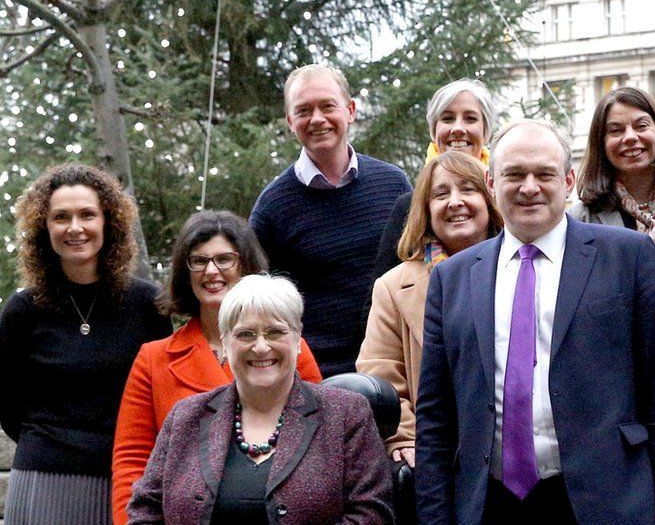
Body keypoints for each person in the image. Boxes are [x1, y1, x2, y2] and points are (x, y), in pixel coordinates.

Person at [415, 119, 655, 524]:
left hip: (604, 502)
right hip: (488, 504)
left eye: (544, 174)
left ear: (568, 181)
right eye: (514, 175)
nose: (530, 187)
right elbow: (436, 420)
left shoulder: (629, 257)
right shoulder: (452, 278)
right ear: (491, 183)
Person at [111, 211, 323, 525]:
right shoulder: (154, 359)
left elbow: (322, 438)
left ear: (246, 264)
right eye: (199, 261)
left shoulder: (289, 348)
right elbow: (132, 461)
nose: (211, 271)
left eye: (225, 259)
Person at [127, 274, 394, 523]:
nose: (261, 346)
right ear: (226, 341)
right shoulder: (186, 417)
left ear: (297, 337)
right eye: (245, 334)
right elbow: (145, 510)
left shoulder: (346, 414)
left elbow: (371, 513)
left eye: (275, 332)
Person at [0, 163, 172, 524]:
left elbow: (161, 393)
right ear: (43, 227)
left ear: (108, 223)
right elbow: (8, 404)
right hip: (42, 480)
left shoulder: (147, 304)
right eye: (61, 217)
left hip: (124, 480)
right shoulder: (22, 311)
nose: (75, 228)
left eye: (87, 215)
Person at [250, 64, 412, 378]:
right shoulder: (273, 207)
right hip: (315, 379)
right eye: (303, 110)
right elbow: (258, 303)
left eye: (328, 106)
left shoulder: (394, 186)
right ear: (290, 121)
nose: (317, 119)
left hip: (394, 370)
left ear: (350, 111)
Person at [357, 151, 503, 468]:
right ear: (426, 208)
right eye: (441, 193)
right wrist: (406, 438)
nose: (455, 201)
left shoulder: (520, 270)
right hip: (436, 455)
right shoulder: (393, 287)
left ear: (490, 199)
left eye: (468, 189)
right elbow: (379, 373)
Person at [371, 79, 496, 282]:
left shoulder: (504, 197)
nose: (458, 128)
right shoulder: (408, 206)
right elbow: (380, 296)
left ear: (486, 131)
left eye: (470, 119)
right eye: (447, 119)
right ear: (434, 131)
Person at [570, 86, 655, 239]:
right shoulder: (580, 220)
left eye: (641, 126)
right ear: (601, 143)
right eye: (616, 130)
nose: (630, 137)